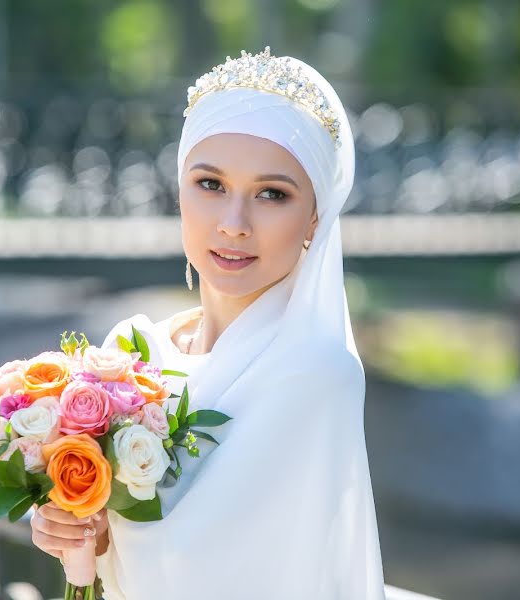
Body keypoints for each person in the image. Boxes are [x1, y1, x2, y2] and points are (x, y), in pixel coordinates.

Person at [31, 47, 386, 599]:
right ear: (179, 191)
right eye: (210, 184)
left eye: (272, 194)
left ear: (316, 216)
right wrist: (76, 523)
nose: (233, 224)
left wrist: (110, 526)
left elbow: (216, 573)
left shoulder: (316, 372)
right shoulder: (134, 353)